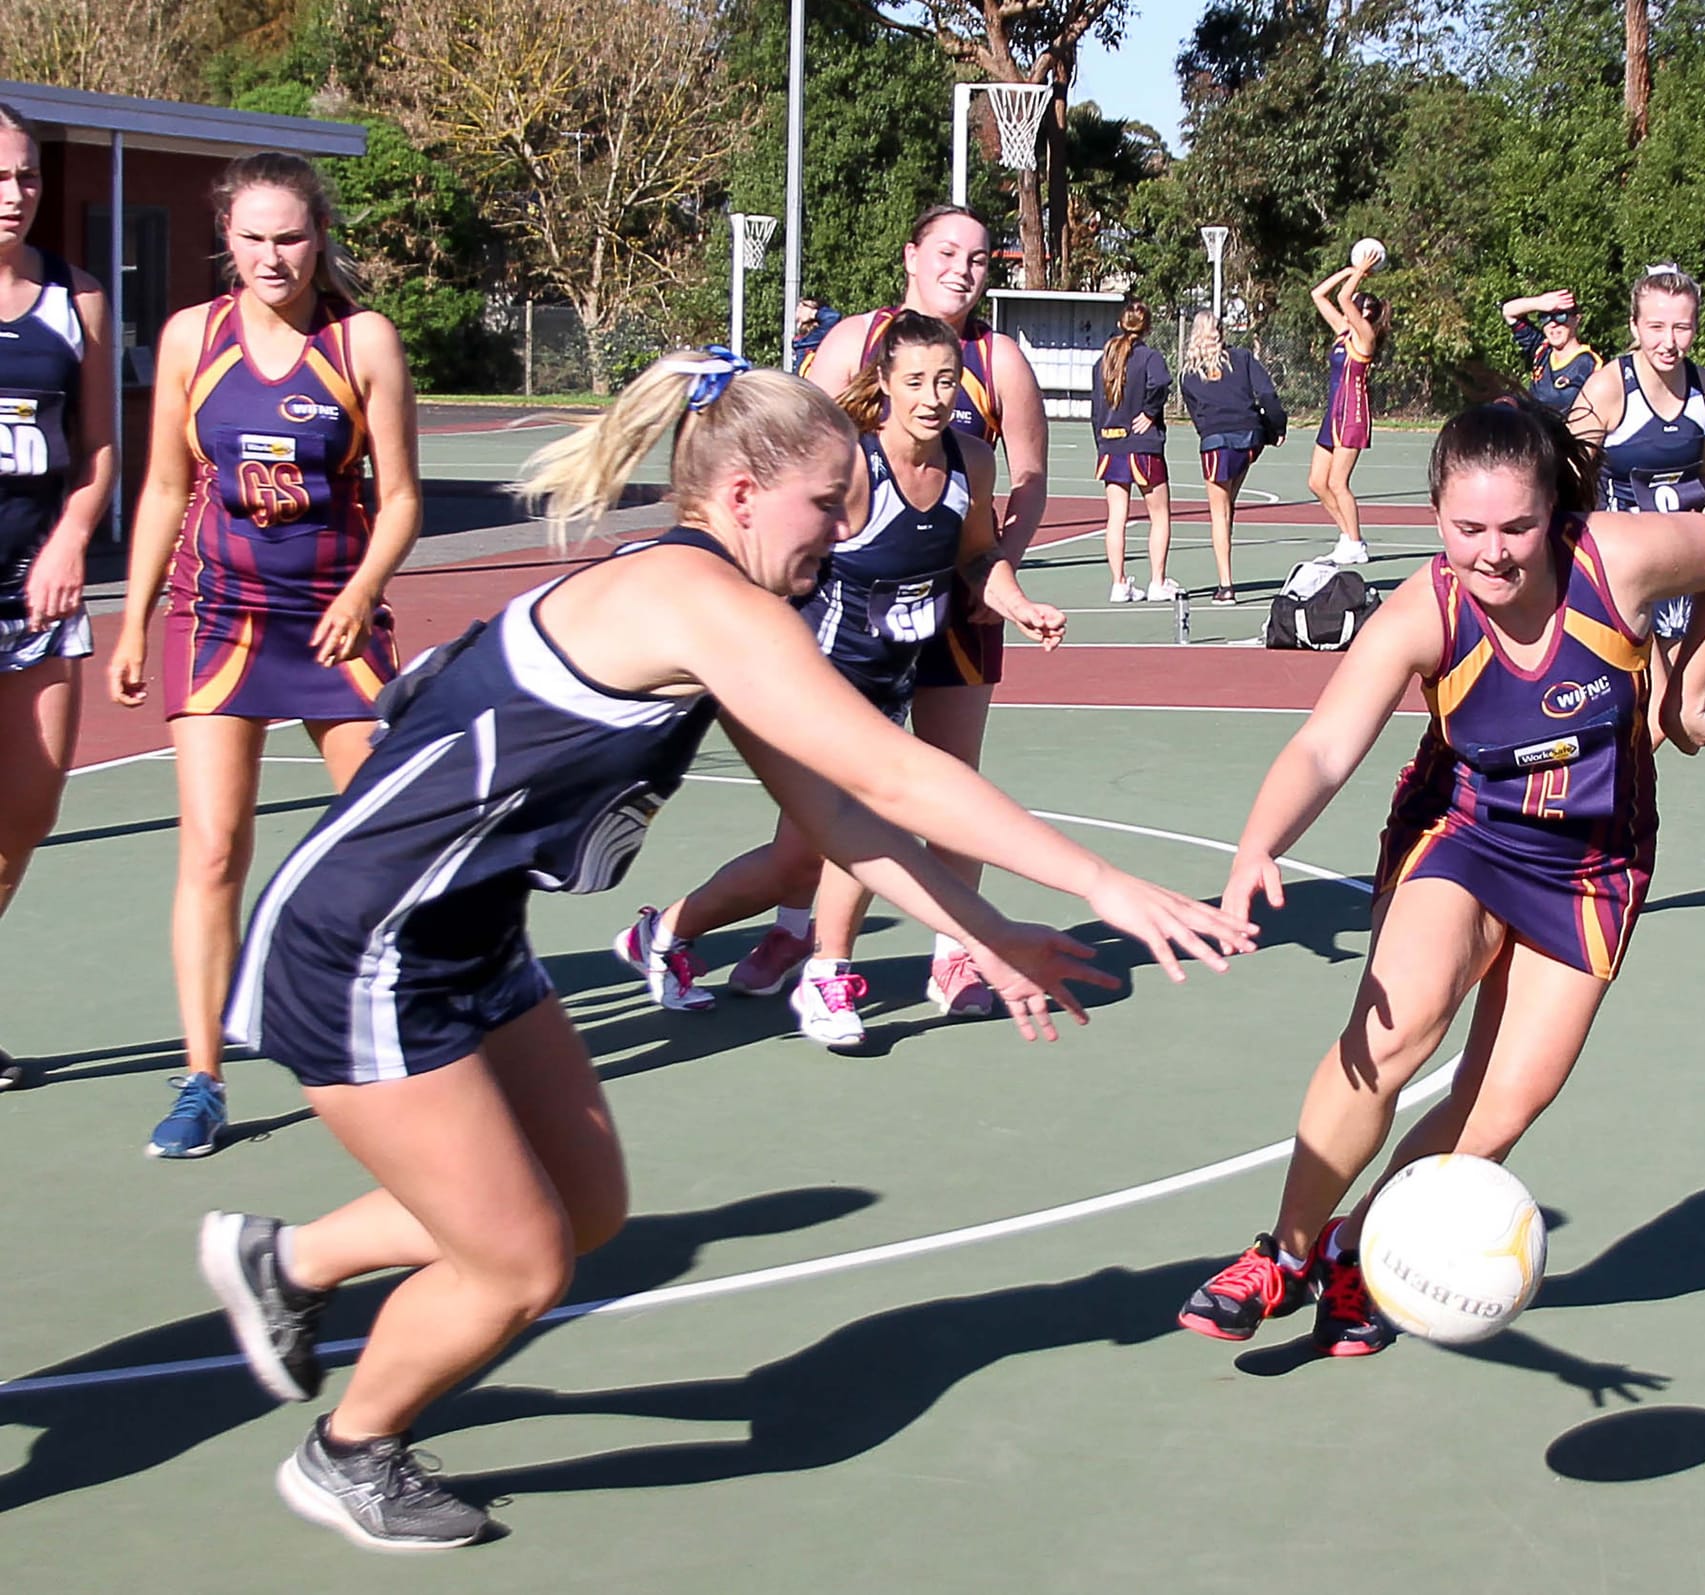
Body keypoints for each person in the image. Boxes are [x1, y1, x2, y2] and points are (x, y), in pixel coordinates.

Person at [196, 352, 1253, 1551]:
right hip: (363, 940)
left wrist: (991, 928)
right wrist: (1103, 879)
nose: (846, 530)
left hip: (463, 934)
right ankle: (348, 1450)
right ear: (741, 492)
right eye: (826, 503)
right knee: (520, 1264)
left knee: (587, 1204)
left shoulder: (719, 610)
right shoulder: (698, 601)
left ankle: (287, 1261)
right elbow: (895, 768)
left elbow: (837, 820)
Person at [1174, 397, 1705, 1357]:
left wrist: (1689, 688)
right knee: (1393, 1034)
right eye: (1467, 527)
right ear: (1436, 515)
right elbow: (1325, 745)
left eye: (1518, 526)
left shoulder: (1617, 561)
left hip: (1595, 866)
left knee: (1501, 1106)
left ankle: (1358, 1253)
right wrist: (1256, 845)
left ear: (1556, 513)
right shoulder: (1424, 610)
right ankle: (1282, 1254)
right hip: (1467, 835)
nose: (1492, 552)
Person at [610, 312, 1066, 1046]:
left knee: (796, 862)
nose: (931, 395)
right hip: (815, 684)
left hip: (888, 683)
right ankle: (828, 974)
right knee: (869, 820)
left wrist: (1017, 603)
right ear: (883, 384)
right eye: (914, 380)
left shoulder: (971, 462)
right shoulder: (851, 467)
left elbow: (977, 558)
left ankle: (658, 935)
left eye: (946, 380)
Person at [107, 152, 421, 1158]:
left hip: (332, 617)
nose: (271, 256)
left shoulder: (361, 339)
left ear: (319, 234)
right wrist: (130, 619)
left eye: (288, 236)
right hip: (218, 617)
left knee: (386, 843)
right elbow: (162, 488)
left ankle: (396, 1036)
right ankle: (202, 1075)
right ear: (225, 238)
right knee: (210, 849)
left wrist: (365, 591)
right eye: (251, 238)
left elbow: (403, 496)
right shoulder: (193, 338)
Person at [795, 204, 1051, 1019]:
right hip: (859, 603)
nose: (963, 268)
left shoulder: (998, 358)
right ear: (911, 255)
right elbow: (792, 459)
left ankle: (957, 958)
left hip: (957, 606)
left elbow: (1030, 476)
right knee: (842, 793)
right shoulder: (852, 345)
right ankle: (796, 934)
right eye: (947, 251)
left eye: (979, 257)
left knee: (952, 785)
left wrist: (999, 569)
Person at [0, 103, 116, 1092]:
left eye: (28, 175)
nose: (16, 193)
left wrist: (73, 537)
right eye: (0, 176)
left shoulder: (74, 298)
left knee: (24, 816)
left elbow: (99, 448)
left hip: (37, 591)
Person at [1568, 263, 1705, 708]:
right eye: (1656, 326)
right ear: (1634, 326)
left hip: (1679, 559)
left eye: (1682, 327)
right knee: (1641, 699)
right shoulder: (1607, 388)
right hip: (1617, 563)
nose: (1669, 342)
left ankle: (1634, 773)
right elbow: (1567, 475)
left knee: (1669, 706)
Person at [1178, 309, 1286, 606]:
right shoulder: (1243, 358)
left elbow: (1199, 419)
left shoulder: (1188, 375)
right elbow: (1267, 396)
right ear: (1219, 332)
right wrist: (1277, 428)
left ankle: (1226, 586)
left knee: (1219, 514)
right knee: (1228, 506)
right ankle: (1226, 572)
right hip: (1250, 439)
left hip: (1217, 443)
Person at [1091, 299, 1177, 604]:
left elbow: (1096, 410)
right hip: (1142, 446)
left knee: (1116, 517)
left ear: (1119, 323)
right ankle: (1157, 581)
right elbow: (1162, 383)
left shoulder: (1104, 360)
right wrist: (1150, 412)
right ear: (1148, 327)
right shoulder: (1149, 357)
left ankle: (1119, 583)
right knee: (1160, 515)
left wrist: (1101, 442)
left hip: (1111, 444)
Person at [1307, 259, 1386, 566]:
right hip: (1333, 413)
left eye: (1356, 304)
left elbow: (1342, 298)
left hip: (1353, 414)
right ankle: (1346, 537)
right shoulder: (1343, 331)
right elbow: (1319, 295)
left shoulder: (1365, 335)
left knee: (1338, 483)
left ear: (1364, 312)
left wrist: (1360, 273)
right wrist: (1349, 271)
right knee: (1317, 482)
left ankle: (1356, 543)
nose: (1349, 304)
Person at [1500, 288, 1599, 415]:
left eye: (1560, 316)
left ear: (1576, 319)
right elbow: (1508, 312)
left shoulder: (1590, 364)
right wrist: (1538, 302)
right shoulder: (1541, 349)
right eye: (1545, 317)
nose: (1553, 324)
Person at [792, 296, 841, 373]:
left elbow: (833, 317)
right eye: (799, 306)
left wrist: (813, 313)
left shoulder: (816, 337)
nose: (799, 309)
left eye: (804, 306)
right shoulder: (802, 340)